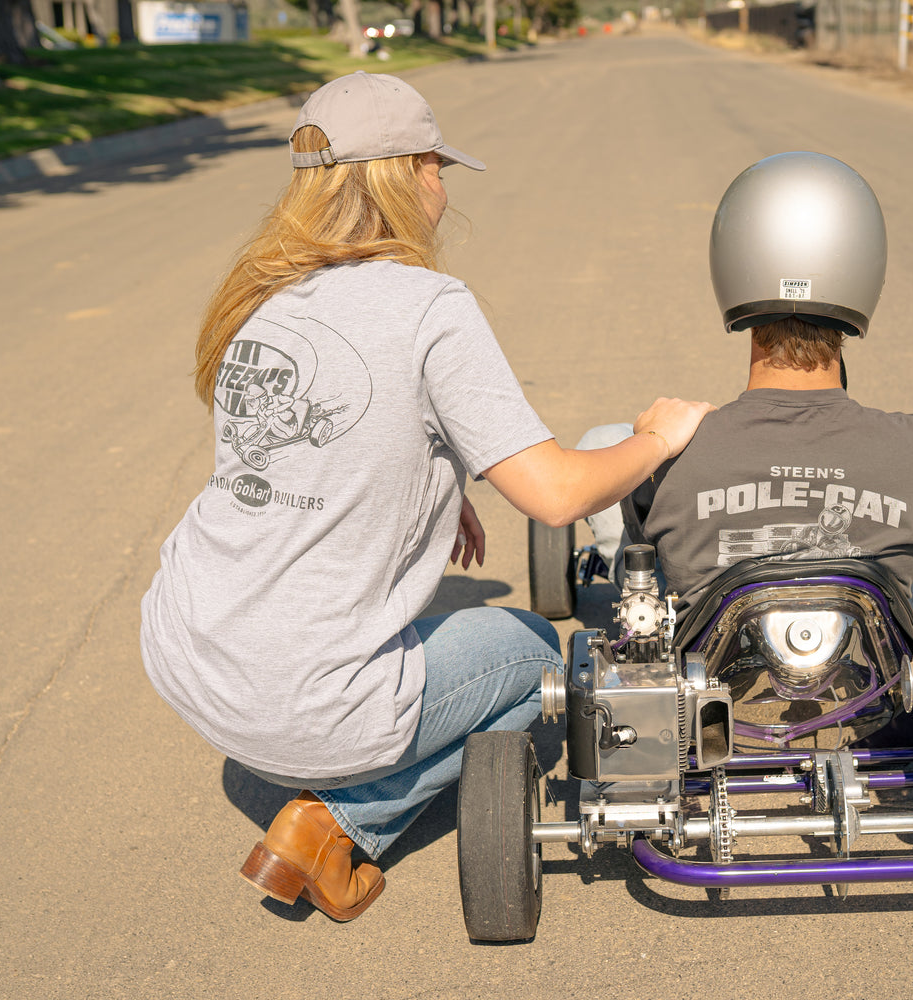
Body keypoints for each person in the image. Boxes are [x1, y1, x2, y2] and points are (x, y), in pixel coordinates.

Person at [138, 72, 712, 923]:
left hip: (190, 658)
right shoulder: (427, 305)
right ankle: (336, 823)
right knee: (534, 657)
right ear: (404, 173)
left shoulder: (259, 296)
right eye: (437, 166)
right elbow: (556, 495)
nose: (443, 186)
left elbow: (302, 448)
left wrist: (441, 482)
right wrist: (657, 439)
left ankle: (314, 779)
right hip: (299, 704)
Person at [580, 152, 913, 610]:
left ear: (734, 267)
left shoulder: (667, 458)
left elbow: (641, 530)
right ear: (864, 268)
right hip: (866, 660)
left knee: (603, 440)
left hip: (708, 662)